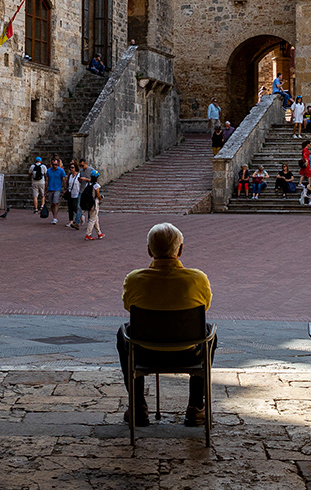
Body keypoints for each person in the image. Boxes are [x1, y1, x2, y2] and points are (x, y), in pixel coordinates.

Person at [118, 222, 215, 427]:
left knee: (124, 332)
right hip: (188, 353)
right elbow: (204, 307)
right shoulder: (197, 279)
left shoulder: (134, 279)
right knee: (208, 334)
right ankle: (196, 407)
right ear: (180, 250)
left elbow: (129, 307)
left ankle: (138, 406)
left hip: (144, 352)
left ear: (149, 250)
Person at [81, 170, 105, 240]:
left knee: (95, 218)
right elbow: (98, 195)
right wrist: (101, 198)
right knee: (92, 219)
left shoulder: (88, 184)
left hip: (89, 203)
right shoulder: (96, 185)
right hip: (94, 204)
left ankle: (99, 233)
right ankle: (88, 234)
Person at [46, 157, 67, 224]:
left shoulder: (61, 171)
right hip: (50, 189)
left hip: (57, 189)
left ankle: (55, 217)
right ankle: (54, 216)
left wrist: (65, 188)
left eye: (56, 164)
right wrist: (45, 189)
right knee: (51, 204)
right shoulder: (48, 171)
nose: (54, 166)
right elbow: (46, 180)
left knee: (55, 203)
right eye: (53, 164)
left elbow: (64, 180)